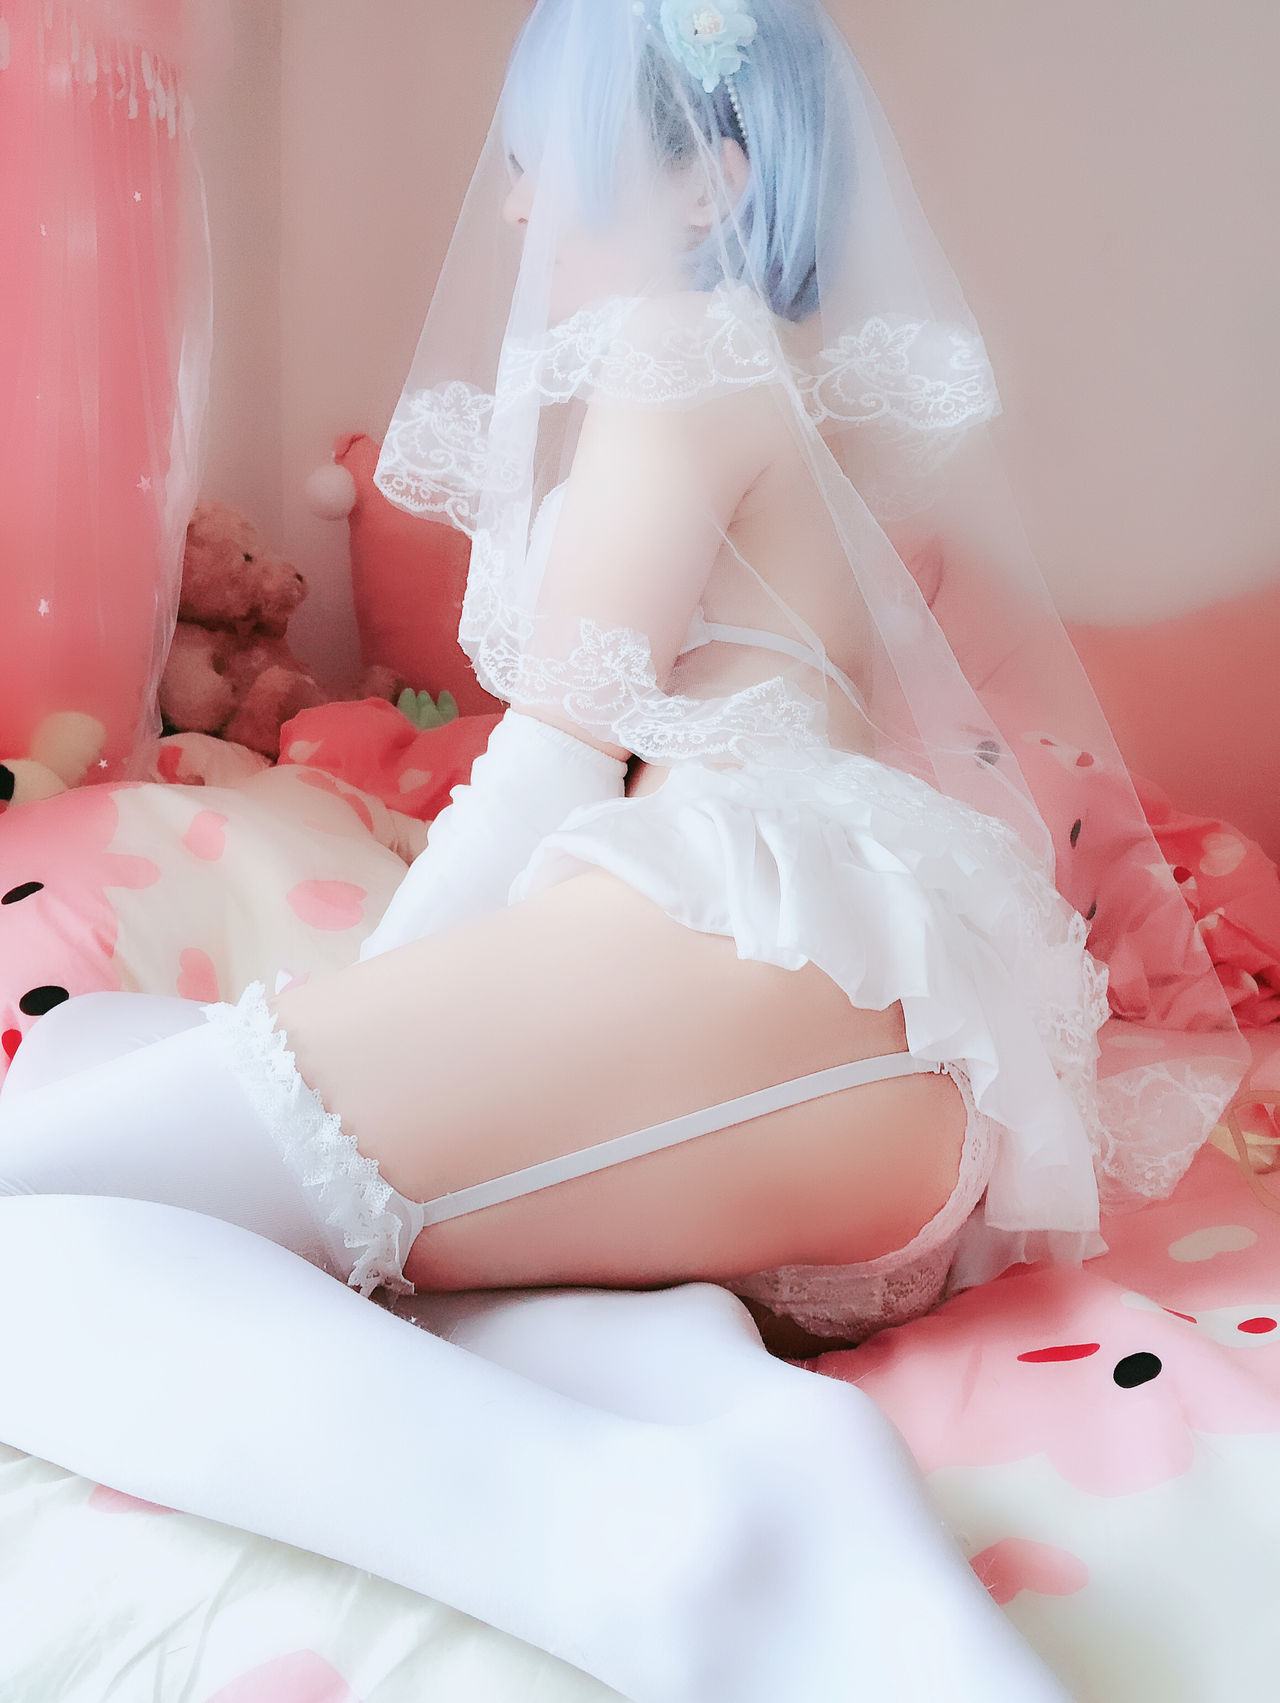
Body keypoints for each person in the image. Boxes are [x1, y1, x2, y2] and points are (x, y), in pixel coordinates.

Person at [0, 0, 1247, 1696]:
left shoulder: (680, 355)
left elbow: (545, 767)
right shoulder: (793, 395)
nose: (518, 206)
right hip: (859, 1078)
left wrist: (350, 1021)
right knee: (127, 1084)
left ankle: (633, 1534)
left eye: (551, 164)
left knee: (46, 1214)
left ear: (711, 182)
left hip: (761, 971)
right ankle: (702, 1405)